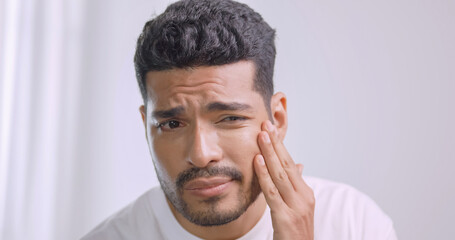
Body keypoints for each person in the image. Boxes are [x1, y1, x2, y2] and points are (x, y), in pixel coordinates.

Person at [82, 0, 397, 239]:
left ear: (277, 118)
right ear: (145, 128)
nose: (202, 154)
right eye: (172, 124)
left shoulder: (353, 223)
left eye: (230, 118)